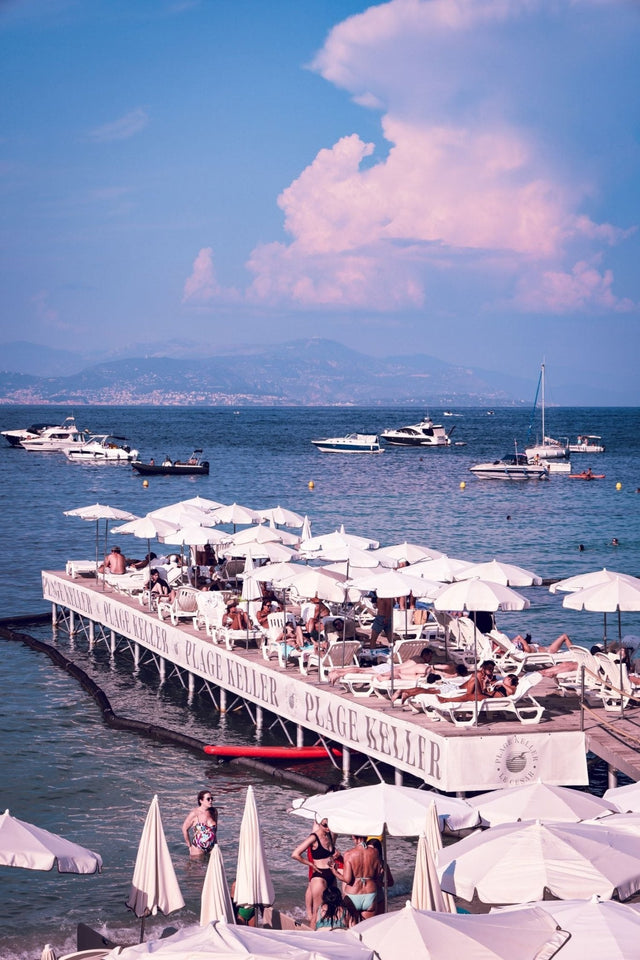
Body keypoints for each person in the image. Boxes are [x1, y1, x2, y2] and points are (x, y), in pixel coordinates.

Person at [292, 817, 339, 927]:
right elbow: (295, 854)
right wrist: (310, 864)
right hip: (319, 877)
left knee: (333, 909)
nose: (328, 828)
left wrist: (333, 856)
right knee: (317, 913)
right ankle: (312, 937)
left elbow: (329, 854)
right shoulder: (313, 837)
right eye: (325, 825)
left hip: (332, 875)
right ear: (319, 824)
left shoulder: (330, 835)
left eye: (329, 825)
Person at [331, 835, 382, 921]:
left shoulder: (349, 854)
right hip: (370, 893)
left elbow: (347, 879)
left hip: (353, 895)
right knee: (367, 928)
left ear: (354, 837)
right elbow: (377, 876)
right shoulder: (375, 852)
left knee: (352, 929)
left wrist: (334, 872)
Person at [182, 789, 218, 857]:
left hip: (211, 848)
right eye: (208, 799)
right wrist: (189, 846)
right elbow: (184, 829)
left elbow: (215, 830)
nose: (211, 801)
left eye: (211, 798)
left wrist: (216, 844)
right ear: (201, 801)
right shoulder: (194, 813)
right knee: (195, 866)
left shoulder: (214, 812)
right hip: (198, 848)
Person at [367, 837, 394, 914]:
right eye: (368, 849)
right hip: (366, 896)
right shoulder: (365, 863)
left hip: (379, 897)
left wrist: (381, 884)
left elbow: (391, 882)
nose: (369, 851)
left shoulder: (384, 864)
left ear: (378, 850)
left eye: (372, 849)